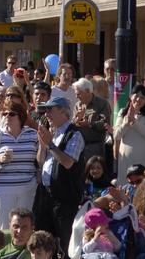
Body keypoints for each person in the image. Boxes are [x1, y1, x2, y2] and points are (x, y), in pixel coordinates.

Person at [34, 96, 85, 256]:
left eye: (50, 109)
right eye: (45, 110)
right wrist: (43, 146)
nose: (46, 113)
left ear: (63, 111)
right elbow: (40, 163)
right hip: (46, 195)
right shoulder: (53, 134)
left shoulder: (75, 134)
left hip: (65, 199)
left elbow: (68, 162)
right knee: (43, 240)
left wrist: (50, 144)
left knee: (66, 241)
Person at [0, 101, 38, 230]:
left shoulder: (33, 135)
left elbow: (40, 159)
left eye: (11, 114)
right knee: (4, 229)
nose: (7, 116)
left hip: (27, 188)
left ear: (21, 117)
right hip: (2, 190)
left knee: (24, 228)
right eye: (4, 113)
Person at [114, 85, 145, 185]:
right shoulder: (122, 112)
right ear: (130, 96)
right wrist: (125, 124)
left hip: (143, 157)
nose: (138, 99)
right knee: (125, 186)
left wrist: (134, 121)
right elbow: (116, 135)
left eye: (142, 98)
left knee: (144, 185)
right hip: (125, 158)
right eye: (136, 96)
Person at [72, 78, 111, 162]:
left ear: (87, 91)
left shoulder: (102, 103)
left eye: (79, 94)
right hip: (78, 147)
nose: (76, 96)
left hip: (95, 146)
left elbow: (105, 124)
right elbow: (72, 125)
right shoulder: (77, 105)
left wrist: (89, 124)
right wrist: (77, 119)